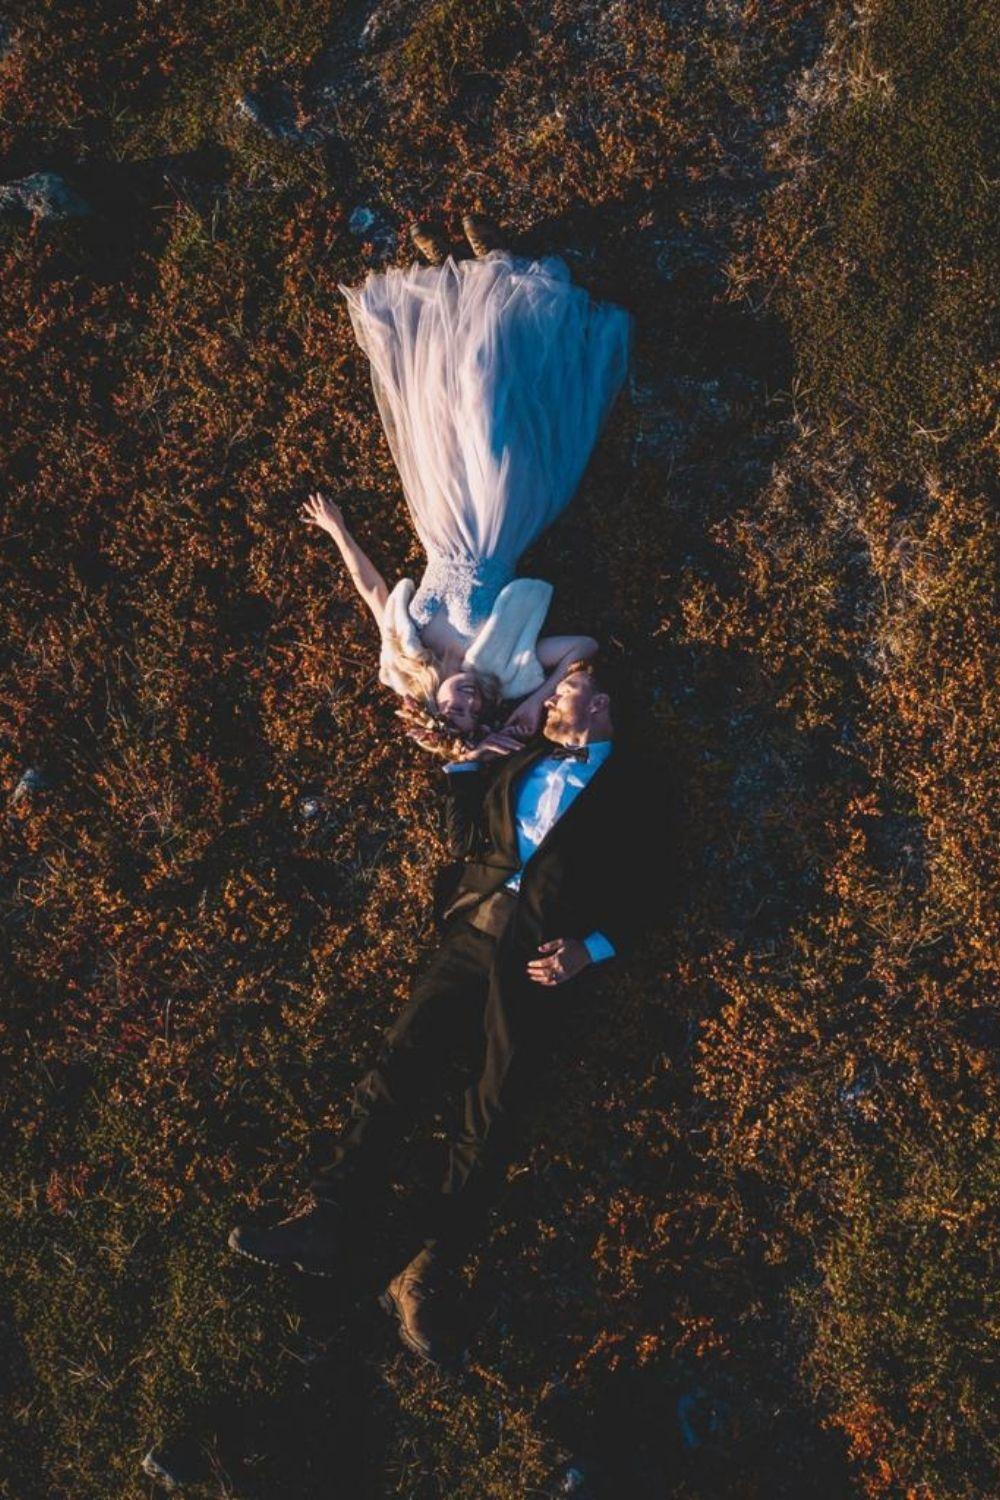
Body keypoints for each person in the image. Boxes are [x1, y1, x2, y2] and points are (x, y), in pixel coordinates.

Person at [228, 657, 652, 1366]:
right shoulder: (524, 761)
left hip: (540, 960)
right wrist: (462, 771)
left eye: (565, 693)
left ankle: (424, 1271)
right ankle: (328, 1220)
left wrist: (591, 948)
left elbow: (655, 886)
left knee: (494, 1106)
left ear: (602, 703)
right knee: (398, 1065)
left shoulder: (635, 786)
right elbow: (467, 842)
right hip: (470, 934)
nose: (549, 705)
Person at [299, 210, 633, 742]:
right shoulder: (507, 671)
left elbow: (372, 589)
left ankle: (451, 279)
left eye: (454, 711)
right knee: (484, 395)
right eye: (475, 716)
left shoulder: (406, 653)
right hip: (501, 520)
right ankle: (494, 266)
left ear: (429, 700)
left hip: (439, 515)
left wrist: (337, 529)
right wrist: (536, 702)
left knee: (438, 398)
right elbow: (582, 646)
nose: (468, 705)